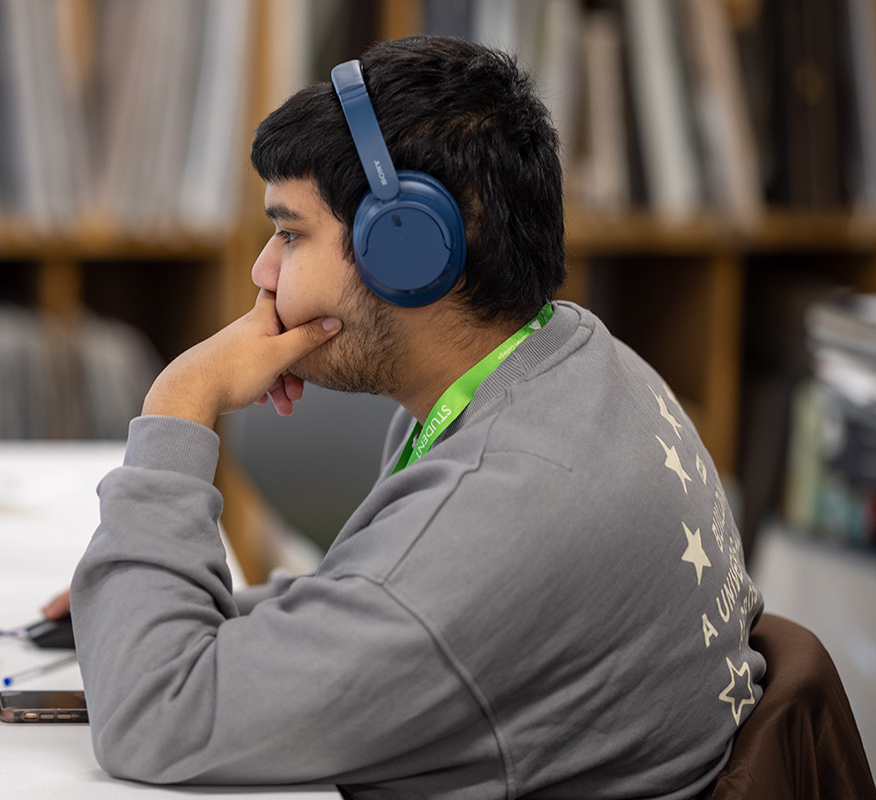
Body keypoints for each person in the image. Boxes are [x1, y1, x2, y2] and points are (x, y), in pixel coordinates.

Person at [55, 36, 765, 798]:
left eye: (290, 234)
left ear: (406, 248)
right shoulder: (574, 360)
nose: (263, 274)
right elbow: (389, 593)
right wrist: (151, 594)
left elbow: (154, 719)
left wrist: (178, 404)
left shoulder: (506, 505)